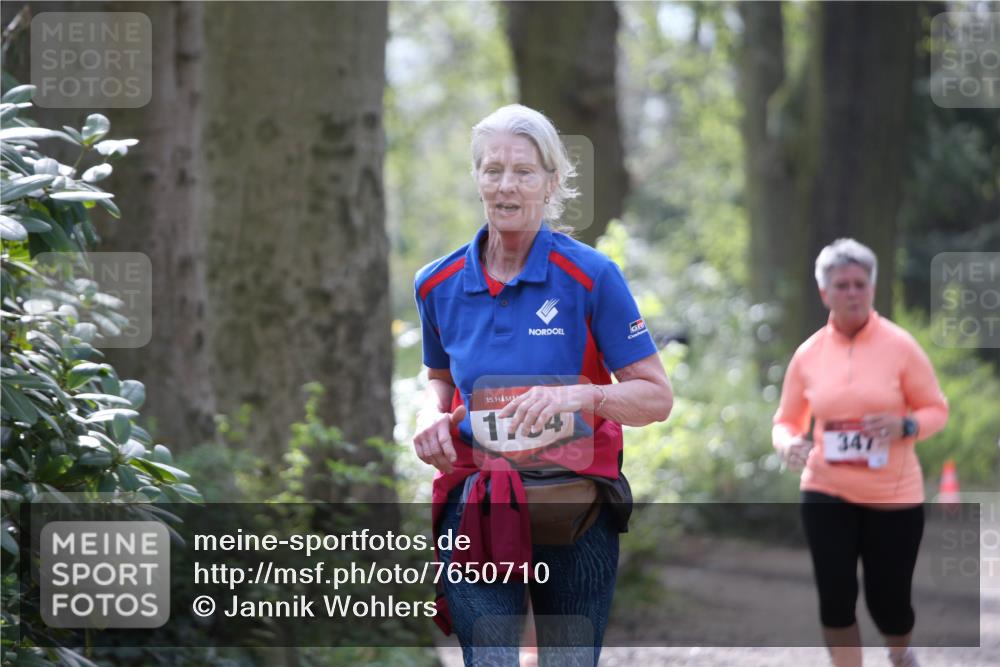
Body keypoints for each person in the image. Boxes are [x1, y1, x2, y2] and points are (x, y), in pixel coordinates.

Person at [413, 104, 673, 666]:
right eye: (493, 169)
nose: (506, 185)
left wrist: (586, 395)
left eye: (524, 171)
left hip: (575, 509)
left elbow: (656, 396)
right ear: (477, 177)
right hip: (477, 506)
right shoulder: (436, 284)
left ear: (551, 182)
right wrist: (425, 417)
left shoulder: (590, 277)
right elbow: (436, 383)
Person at [773, 238, 949, 667]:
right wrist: (789, 444)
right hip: (825, 487)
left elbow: (936, 410)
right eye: (842, 284)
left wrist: (904, 425)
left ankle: (900, 651)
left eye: (860, 284)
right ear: (824, 292)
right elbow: (785, 420)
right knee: (835, 595)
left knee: (888, 602)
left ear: (871, 288)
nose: (852, 292)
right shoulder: (808, 354)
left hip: (892, 493)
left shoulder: (901, 346)